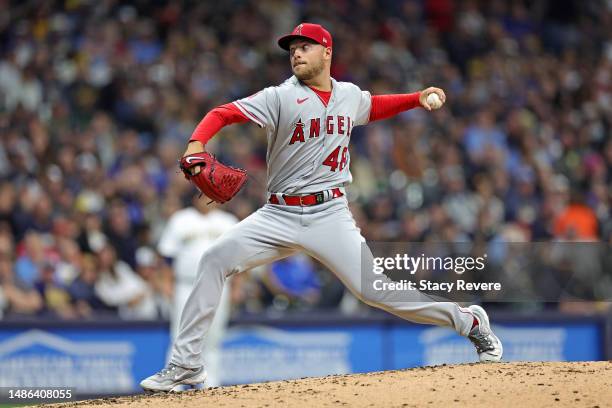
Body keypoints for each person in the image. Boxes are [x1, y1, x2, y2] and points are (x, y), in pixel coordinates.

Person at [140, 23, 502, 392]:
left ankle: (468, 321)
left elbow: (372, 106)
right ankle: (185, 365)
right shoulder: (279, 96)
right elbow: (222, 113)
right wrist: (195, 143)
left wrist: (415, 98)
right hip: (278, 214)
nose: (295, 53)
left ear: (326, 52)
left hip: (329, 214)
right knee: (214, 258)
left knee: (375, 290)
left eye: (305, 47)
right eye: (292, 48)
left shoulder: (347, 95)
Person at [157, 196, 238, 387]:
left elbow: (239, 257)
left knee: (213, 337)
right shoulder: (180, 219)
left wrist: (237, 287)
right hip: (186, 285)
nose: (206, 198)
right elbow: (167, 257)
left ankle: (211, 385)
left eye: (210, 193)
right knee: (179, 336)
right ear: (194, 197)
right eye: (202, 193)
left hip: (219, 285)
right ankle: (172, 386)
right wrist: (167, 283)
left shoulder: (228, 222)